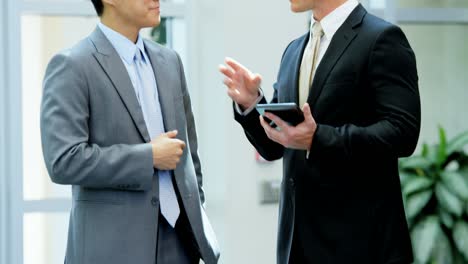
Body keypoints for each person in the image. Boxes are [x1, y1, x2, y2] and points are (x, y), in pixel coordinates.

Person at [219, 0, 420, 263]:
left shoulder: (382, 38)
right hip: (297, 248)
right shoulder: (293, 51)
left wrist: (318, 139)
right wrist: (252, 104)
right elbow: (274, 146)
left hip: (361, 247)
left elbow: (402, 133)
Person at [40, 0, 219, 263]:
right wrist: (149, 157)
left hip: (181, 245)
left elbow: (190, 156)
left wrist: (196, 210)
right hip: (113, 248)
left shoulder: (170, 61)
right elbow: (63, 160)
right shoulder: (72, 65)